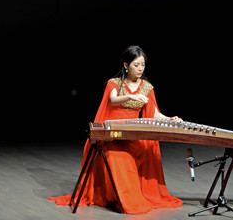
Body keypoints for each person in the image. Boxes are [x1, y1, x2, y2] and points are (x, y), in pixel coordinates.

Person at [49, 45, 183, 214]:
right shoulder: (114, 83)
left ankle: (123, 198)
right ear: (126, 65)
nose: (140, 68)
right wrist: (131, 96)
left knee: (131, 155)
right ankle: (120, 199)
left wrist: (170, 119)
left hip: (132, 136)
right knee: (116, 157)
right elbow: (113, 100)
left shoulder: (147, 87)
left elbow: (154, 112)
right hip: (113, 135)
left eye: (143, 64)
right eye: (136, 65)